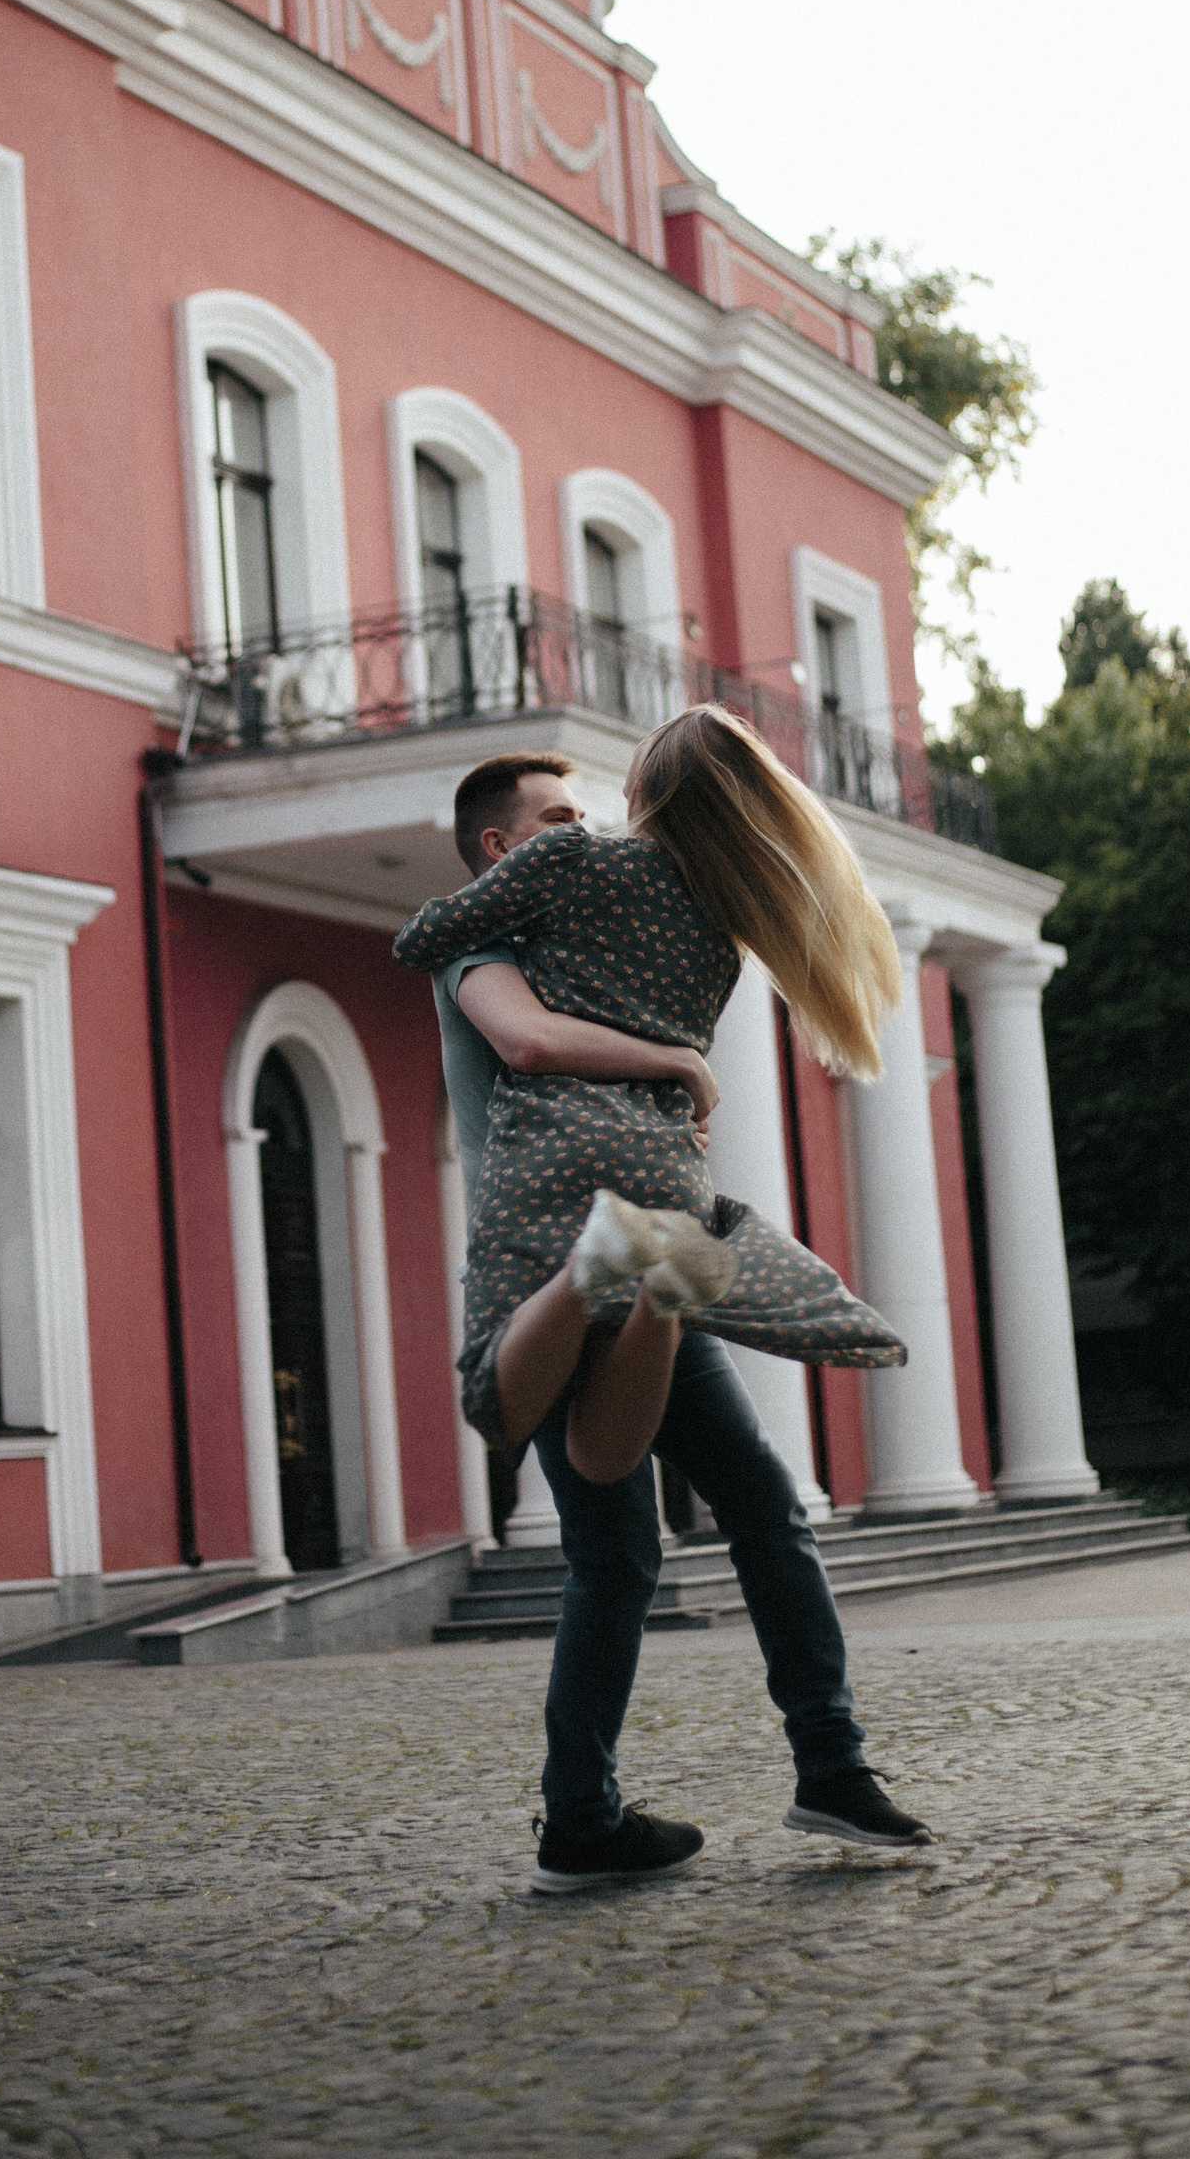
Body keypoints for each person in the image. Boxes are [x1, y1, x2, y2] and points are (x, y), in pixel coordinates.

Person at [407, 735, 936, 1893]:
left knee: (759, 1498)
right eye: (557, 822)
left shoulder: (589, 923)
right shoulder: (480, 943)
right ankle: (578, 1820)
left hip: (647, 1244)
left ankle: (831, 1772)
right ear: (498, 849)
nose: (585, 838)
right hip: (552, 1263)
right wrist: (683, 1066)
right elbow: (523, 1038)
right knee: (614, 1546)